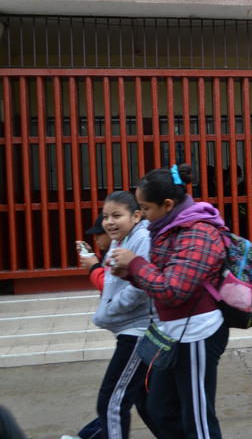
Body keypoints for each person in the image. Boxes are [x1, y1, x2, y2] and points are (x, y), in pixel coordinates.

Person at [110, 164, 229, 439]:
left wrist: (136, 264)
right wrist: (130, 274)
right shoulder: (168, 227)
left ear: (167, 204)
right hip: (173, 332)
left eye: (145, 208)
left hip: (198, 333)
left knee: (198, 418)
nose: (142, 215)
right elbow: (160, 278)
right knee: (160, 408)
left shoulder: (198, 232)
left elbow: (173, 289)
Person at [67, 191, 157, 439]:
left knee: (111, 402)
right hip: (130, 329)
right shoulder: (121, 241)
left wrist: (112, 308)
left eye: (116, 215)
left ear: (136, 216)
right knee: (149, 405)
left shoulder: (142, 239)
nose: (109, 222)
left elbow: (141, 285)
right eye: (106, 216)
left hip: (139, 331)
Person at [62, 215, 114, 439]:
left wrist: (93, 266)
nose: (97, 240)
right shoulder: (113, 254)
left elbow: (108, 287)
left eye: (98, 235)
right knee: (137, 400)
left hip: (136, 335)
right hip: (131, 334)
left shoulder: (123, 252)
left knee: (116, 398)